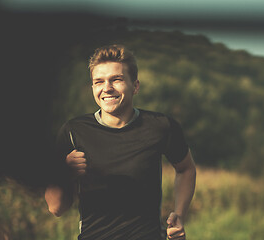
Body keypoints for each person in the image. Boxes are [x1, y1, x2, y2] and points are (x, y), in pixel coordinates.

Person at [44, 44, 196, 240]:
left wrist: (180, 214)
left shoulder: (161, 126)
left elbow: (186, 169)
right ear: (92, 87)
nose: (107, 88)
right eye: (99, 82)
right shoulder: (73, 131)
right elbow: (56, 208)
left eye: (116, 79)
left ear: (135, 86)